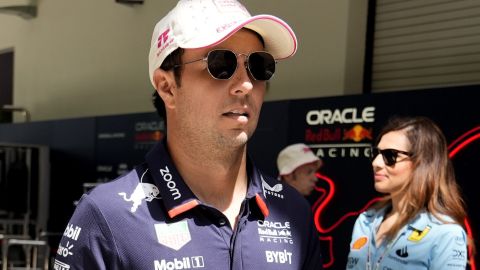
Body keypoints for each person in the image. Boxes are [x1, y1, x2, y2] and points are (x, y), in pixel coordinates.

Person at [54, 0, 323, 269]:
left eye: (259, 65)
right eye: (221, 64)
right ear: (167, 87)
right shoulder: (108, 217)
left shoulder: (293, 213)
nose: (245, 84)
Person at [346, 116, 474, 269]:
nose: (376, 163)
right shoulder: (365, 221)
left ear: (422, 163)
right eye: (376, 154)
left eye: (390, 155)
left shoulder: (445, 233)